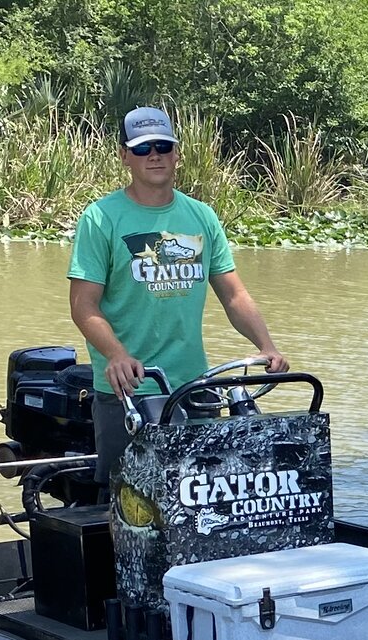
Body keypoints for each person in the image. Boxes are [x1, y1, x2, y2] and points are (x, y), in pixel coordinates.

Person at [67, 106, 286, 477]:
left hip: (194, 386)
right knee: (129, 506)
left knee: (204, 491)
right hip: (127, 390)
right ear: (124, 156)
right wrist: (117, 355)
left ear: (177, 154)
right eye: (141, 148)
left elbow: (234, 295)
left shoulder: (202, 215)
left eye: (162, 146)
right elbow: (82, 305)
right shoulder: (101, 217)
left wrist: (267, 346)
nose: (154, 155)